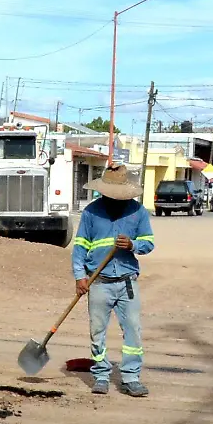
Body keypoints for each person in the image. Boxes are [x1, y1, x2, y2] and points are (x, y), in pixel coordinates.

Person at [72, 162, 156, 397]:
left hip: (127, 282)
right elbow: (80, 247)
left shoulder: (137, 212)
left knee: (133, 331)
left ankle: (130, 377)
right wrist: (80, 276)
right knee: (97, 330)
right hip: (99, 282)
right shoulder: (91, 212)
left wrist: (133, 245)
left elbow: (148, 243)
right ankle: (101, 375)